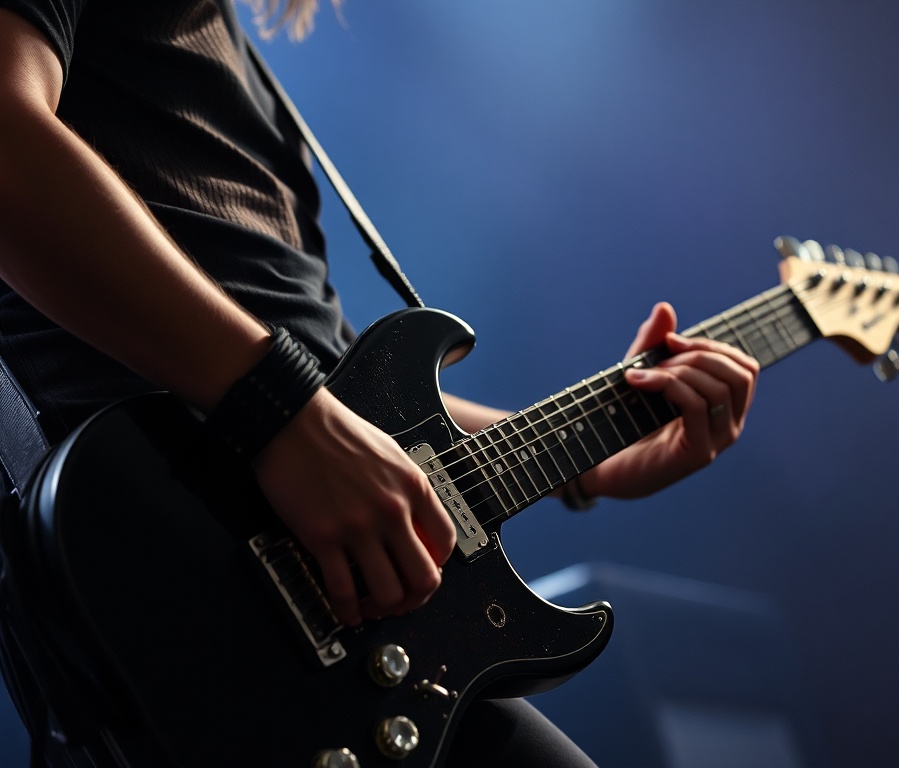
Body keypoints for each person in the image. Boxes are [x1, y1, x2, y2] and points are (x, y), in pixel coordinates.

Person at [0, 0, 759, 765]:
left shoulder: (228, 47)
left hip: (334, 642)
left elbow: (332, 380)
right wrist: (281, 411)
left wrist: (595, 458)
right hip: (175, 589)